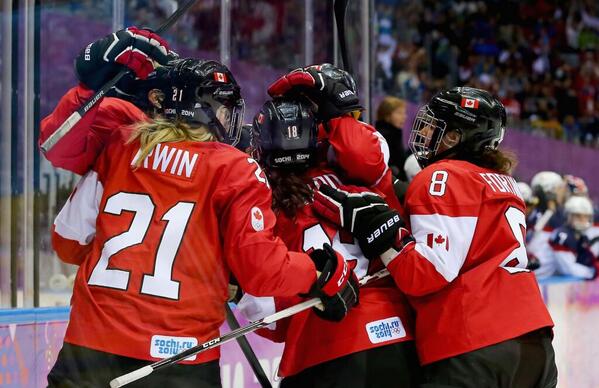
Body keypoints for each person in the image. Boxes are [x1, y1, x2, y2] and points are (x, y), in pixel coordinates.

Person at [47, 58, 359, 388]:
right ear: (198, 109)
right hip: (178, 364)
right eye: (220, 106)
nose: (226, 116)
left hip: (87, 353)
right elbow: (264, 271)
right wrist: (315, 271)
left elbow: (67, 243)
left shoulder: (121, 147)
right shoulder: (233, 167)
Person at [313, 87, 557, 387]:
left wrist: (379, 231)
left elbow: (426, 273)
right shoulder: (506, 182)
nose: (425, 131)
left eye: (434, 125)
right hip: (537, 345)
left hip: (473, 344)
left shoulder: (441, 176)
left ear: (455, 136)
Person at [238, 98, 419, 388]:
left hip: (325, 350)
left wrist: (236, 290)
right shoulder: (359, 183)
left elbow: (269, 315)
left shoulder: (268, 208)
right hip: (399, 340)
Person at [267, 63, 404, 213]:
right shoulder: (292, 145)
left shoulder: (371, 137)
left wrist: (335, 102)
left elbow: (360, 159)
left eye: (314, 101)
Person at [40, 27, 176, 175]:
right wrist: (89, 89)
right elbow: (56, 148)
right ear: (155, 97)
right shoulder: (121, 122)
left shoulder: (201, 138)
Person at [547, 196, 598, 280]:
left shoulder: (582, 237)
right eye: (578, 216)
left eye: (586, 216)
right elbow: (567, 268)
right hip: (545, 279)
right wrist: (592, 272)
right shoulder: (562, 235)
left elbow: (585, 259)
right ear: (568, 216)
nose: (583, 220)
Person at [375, 96, 408, 178]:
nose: (404, 117)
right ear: (387, 115)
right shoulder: (385, 136)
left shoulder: (394, 133)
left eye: (404, 113)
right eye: (399, 113)